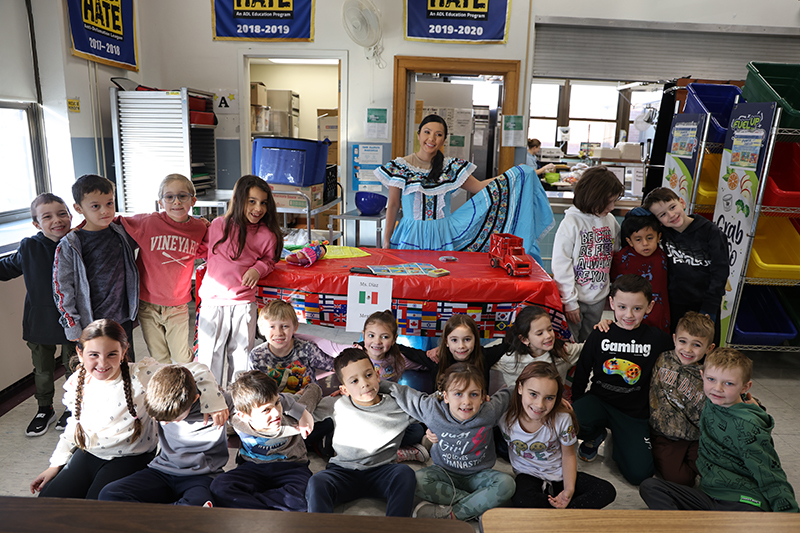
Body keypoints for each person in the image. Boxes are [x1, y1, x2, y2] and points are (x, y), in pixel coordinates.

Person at [30, 319, 227, 500]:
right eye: (94, 355)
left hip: (131, 456)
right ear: (80, 354)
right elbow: (73, 425)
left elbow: (196, 369)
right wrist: (55, 466)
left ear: (124, 351)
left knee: (97, 505)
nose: (102, 363)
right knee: (48, 500)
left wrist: (213, 401)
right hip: (89, 454)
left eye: (112, 354)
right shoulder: (76, 382)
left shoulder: (141, 374)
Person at [374, 114, 553, 265]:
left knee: (442, 281)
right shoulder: (399, 167)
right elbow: (394, 204)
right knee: (409, 281)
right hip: (409, 233)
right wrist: (386, 240)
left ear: (444, 139)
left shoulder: (451, 166)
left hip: (443, 234)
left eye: (438, 134)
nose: (431, 139)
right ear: (419, 134)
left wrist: (512, 174)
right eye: (427, 132)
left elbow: (479, 186)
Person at [639, 348, 798, 513]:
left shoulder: (748, 426)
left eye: (728, 383)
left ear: (745, 387)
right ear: (702, 377)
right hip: (708, 496)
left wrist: (790, 518)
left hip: (742, 500)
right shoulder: (712, 401)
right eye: (711, 379)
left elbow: (770, 474)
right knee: (650, 486)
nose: (717, 388)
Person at [570, 274, 672, 485]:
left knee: (640, 475)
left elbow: (687, 351)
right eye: (622, 307)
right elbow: (582, 370)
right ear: (612, 303)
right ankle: (595, 433)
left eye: (637, 308)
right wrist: (576, 406)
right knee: (567, 421)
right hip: (599, 401)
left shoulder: (657, 338)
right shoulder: (600, 333)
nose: (629, 315)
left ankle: (621, 440)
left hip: (633, 413)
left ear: (649, 307)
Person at [295, 309, 435, 463]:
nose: (377, 342)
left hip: (381, 408)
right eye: (371, 335)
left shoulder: (398, 359)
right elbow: (323, 343)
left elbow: (425, 363)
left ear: (394, 339)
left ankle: (394, 452)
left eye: (385, 337)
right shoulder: (355, 352)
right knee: (329, 419)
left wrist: (435, 353)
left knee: (416, 431)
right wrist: (292, 334)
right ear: (363, 334)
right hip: (356, 406)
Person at [383, 363, 514, 521]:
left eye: (473, 394)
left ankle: (452, 514)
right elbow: (403, 393)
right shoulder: (433, 410)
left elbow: (511, 393)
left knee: (507, 484)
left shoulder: (489, 410)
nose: (466, 401)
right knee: (415, 480)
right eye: (458, 394)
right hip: (444, 473)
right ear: (445, 396)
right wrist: (375, 384)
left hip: (480, 475)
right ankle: (474, 505)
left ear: (482, 396)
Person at [305, 348, 418, 517]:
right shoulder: (337, 403)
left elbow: (429, 409)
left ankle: (396, 527)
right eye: (354, 381)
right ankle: (320, 528)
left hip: (381, 471)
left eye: (368, 375)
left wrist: (433, 429)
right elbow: (306, 409)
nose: (364, 383)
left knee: (405, 474)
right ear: (344, 389)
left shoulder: (399, 406)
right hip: (343, 471)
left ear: (377, 375)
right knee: (317, 482)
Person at [98, 364, 231, 506]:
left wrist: (216, 400)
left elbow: (247, 413)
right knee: (109, 494)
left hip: (201, 476)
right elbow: (187, 368)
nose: (166, 424)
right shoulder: (157, 394)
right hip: (161, 471)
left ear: (194, 399)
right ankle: (169, 518)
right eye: (160, 420)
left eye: (174, 419)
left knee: (198, 505)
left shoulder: (219, 403)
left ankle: (163, 517)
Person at [0, 193, 76, 436]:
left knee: (73, 366)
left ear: (71, 215)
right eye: (47, 216)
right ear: (36, 224)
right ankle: (45, 408)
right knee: (42, 369)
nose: (57, 220)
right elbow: (8, 267)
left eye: (62, 213)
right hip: (39, 320)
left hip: (72, 320)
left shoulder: (78, 242)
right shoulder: (29, 246)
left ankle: (72, 407)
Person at [197, 175, 283, 387]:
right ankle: (212, 404)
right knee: (209, 356)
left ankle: (238, 404)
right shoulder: (218, 225)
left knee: (242, 356)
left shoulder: (267, 235)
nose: (258, 208)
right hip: (213, 302)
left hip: (243, 303)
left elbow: (270, 260)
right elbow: (201, 248)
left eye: (263, 202)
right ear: (238, 200)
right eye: (251, 201)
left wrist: (258, 269)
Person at [118, 174, 208, 364]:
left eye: (182, 196)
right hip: (148, 303)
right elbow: (115, 222)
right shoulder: (148, 222)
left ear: (193, 200)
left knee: (182, 357)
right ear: (160, 202)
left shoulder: (199, 228)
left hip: (178, 305)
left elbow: (213, 248)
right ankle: (165, 392)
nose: (176, 201)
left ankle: (189, 390)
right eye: (169, 197)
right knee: (159, 359)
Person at [500, 362, 616, 509]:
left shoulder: (562, 419)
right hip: (527, 474)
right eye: (533, 394)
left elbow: (568, 455)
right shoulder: (504, 415)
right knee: (522, 500)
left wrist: (569, 489)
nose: (539, 405)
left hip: (559, 473)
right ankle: (563, 514)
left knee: (605, 490)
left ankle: (557, 514)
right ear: (520, 388)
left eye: (549, 398)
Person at [53, 174, 139, 359]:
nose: (104, 211)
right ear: (78, 208)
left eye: (109, 203)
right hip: (91, 322)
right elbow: (62, 289)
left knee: (127, 365)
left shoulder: (122, 233)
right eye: (95, 206)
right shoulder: (70, 244)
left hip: (122, 318)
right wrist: (73, 326)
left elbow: (151, 224)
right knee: (99, 370)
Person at [210, 371, 317, 511]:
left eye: (277, 403)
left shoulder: (293, 418)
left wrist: (303, 413)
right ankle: (271, 508)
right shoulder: (236, 418)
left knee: (303, 497)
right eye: (266, 410)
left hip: (291, 468)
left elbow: (314, 390)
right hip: (251, 467)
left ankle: (253, 505)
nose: (276, 413)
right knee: (219, 486)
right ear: (244, 416)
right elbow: (210, 387)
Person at [643, 187, 729, 344]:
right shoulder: (663, 234)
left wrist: (710, 306)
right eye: (662, 215)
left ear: (681, 202)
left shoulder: (711, 232)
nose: (671, 215)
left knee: (704, 347)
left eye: (672, 207)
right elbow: (635, 229)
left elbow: (721, 272)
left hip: (705, 303)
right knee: (676, 346)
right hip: (674, 303)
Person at [552, 166, 625, 342]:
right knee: (570, 343)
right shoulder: (571, 223)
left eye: (614, 201)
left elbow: (616, 253)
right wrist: (569, 302)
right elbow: (561, 265)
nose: (612, 207)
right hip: (574, 299)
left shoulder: (610, 220)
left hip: (598, 298)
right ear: (593, 198)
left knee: (589, 341)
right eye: (608, 202)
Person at [649, 312, 715, 486]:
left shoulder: (712, 372)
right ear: (674, 339)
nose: (687, 349)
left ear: (709, 348)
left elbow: (733, 385)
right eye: (683, 341)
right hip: (666, 435)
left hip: (697, 436)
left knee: (710, 470)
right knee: (680, 479)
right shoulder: (663, 358)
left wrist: (751, 403)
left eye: (697, 345)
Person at [248, 299, 335, 394]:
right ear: (262, 330)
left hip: (307, 400)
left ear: (295, 328)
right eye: (271, 327)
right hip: (276, 404)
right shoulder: (257, 355)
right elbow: (255, 390)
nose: (278, 333)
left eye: (285, 326)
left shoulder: (307, 349)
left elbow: (336, 366)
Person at [492, 305, 583, 393]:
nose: (548, 336)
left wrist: (597, 331)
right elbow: (480, 357)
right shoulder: (508, 359)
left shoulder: (563, 352)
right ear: (524, 339)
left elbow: (587, 347)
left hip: (553, 405)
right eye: (540, 333)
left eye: (550, 329)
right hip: (518, 406)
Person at [611, 207, 670, 333]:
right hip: (628, 316)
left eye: (650, 238)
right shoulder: (620, 259)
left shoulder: (664, 256)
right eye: (638, 239)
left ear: (658, 237)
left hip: (658, 316)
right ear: (629, 241)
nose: (645, 243)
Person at [430, 314, 509, 393]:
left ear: (475, 340)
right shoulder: (437, 358)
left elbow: (509, 343)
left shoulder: (484, 356)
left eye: (467, 339)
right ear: (446, 342)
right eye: (454, 340)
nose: (461, 346)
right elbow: (417, 355)